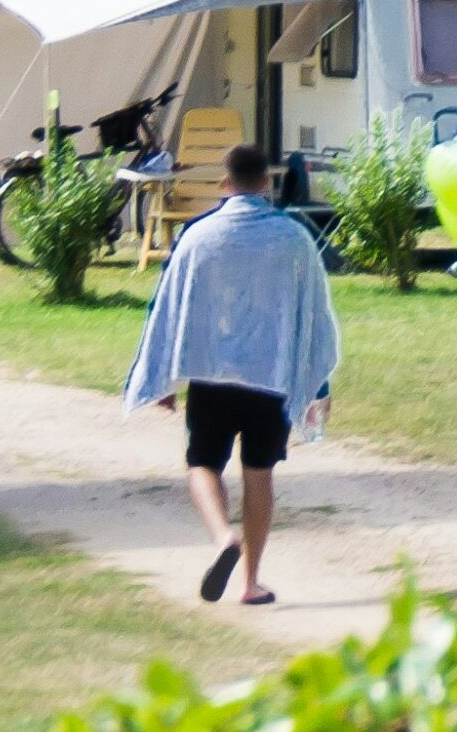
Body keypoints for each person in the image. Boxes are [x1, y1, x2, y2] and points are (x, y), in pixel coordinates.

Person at [124, 143, 339, 606]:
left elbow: (170, 305)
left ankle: (224, 537)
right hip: (271, 379)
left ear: (225, 183)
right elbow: (313, 314)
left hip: (212, 376)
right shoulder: (294, 239)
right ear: (266, 182)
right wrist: (317, 385)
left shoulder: (198, 236)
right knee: (259, 475)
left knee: (202, 465)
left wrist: (166, 376)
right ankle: (250, 583)